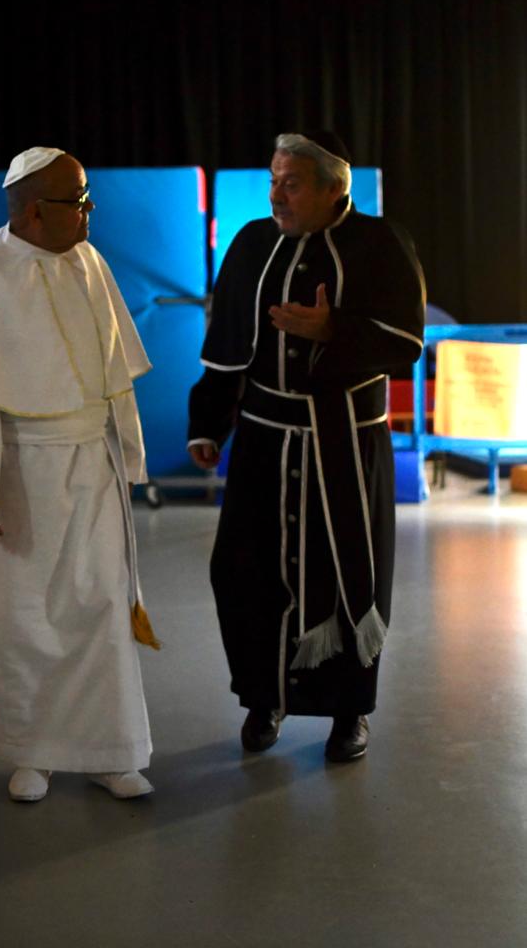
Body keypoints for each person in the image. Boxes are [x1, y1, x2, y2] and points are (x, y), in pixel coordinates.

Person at [0, 146, 158, 801]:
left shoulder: (90, 262)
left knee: (101, 608)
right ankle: (35, 755)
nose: (88, 212)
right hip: (18, 476)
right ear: (31, 213)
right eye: (76, 202)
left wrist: (127, 457)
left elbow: (115, 381)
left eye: (87, 198)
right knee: (24, 618)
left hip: (90, 470)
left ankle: (112, 752)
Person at [188, 131, 425, 762]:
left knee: (348, 575)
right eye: (273, 181)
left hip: (345, 440)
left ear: (332, 188)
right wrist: (208, 423)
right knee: (246, 571)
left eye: (291, 184)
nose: (276, 195)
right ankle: (262, 698)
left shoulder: (381, 243)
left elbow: (405, 341)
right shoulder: (251, 243)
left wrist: (335, 330)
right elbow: (226, 345)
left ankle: (350, 711)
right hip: (263, 439)